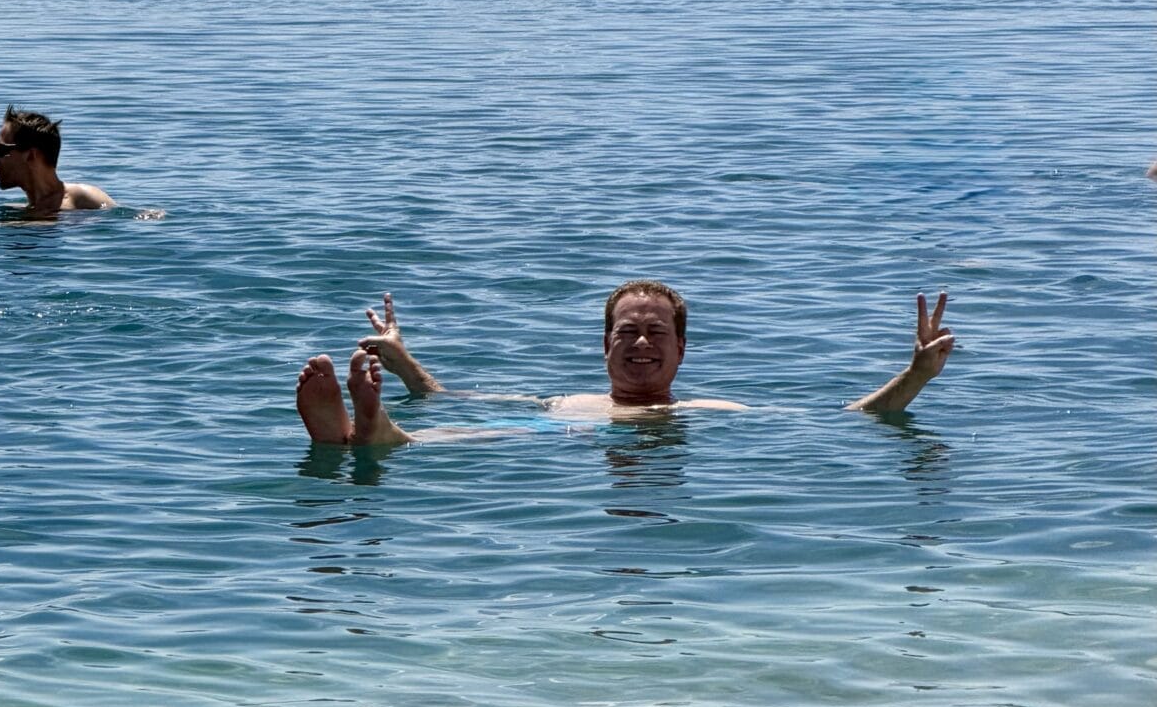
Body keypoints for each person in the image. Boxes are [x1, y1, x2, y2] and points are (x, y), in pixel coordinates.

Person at [295, 279, 955, 446]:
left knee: (472, 439)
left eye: (656, 333)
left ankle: (380, 439)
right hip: (556, 430)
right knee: (486, 429)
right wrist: (403, 361)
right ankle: (367, 435)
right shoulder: (562, 400)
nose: (641, 343)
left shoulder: (707, 410)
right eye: (627, 332)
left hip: (588, 437)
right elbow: (448, 398)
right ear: (604, 345)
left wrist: (915, 377)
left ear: (681, 350)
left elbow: (843, 419)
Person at [0, 106, 114, 231]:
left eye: (1, 150)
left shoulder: (83, 196)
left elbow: (120, 225)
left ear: (30, 155)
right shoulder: (19, 212)